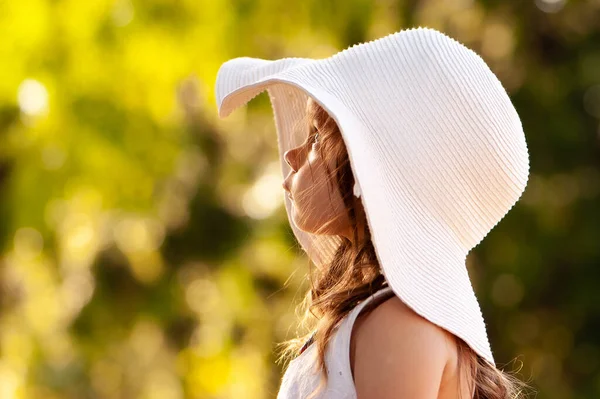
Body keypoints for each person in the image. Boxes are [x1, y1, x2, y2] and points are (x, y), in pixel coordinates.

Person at [215, 27, 531, 398]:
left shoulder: (401, 326)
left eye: (317, 135)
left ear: (371, 164)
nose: (292, 155)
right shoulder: (379, 320)